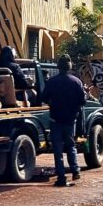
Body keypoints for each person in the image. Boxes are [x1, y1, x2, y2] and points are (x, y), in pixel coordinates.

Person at [40, 55, 87, 187]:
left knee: (58, 149)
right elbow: (82, 101)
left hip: (56, 119)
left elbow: (44, 97)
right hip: (70, 120)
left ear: (58, 66)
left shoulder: (52, 82)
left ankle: (61, 177)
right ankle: (75, 170)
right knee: (71, 145)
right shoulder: (76, 82)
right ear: (69, 66)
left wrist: (52, 103)